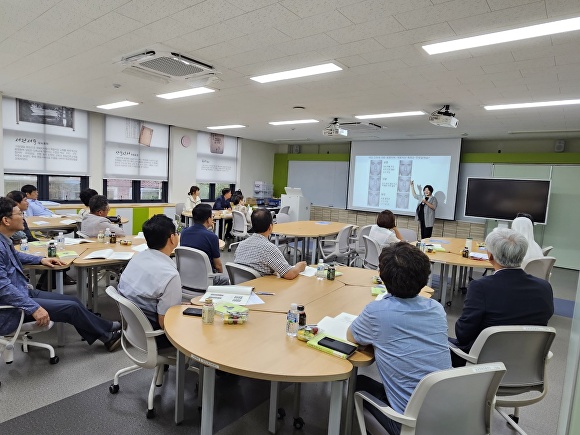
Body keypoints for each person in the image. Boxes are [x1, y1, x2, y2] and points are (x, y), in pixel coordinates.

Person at [347, 242, 451, 435]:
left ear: (382, 276)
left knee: (359, 383)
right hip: (448, 413)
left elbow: (351, 336)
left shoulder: (377, 312)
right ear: (425, 278)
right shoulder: (436, 309)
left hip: (408, 424)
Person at [0, 197, 121, 351]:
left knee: (74, 301)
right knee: (71, 308)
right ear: (6, 220)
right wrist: (33, 308)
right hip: (11, 307)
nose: (23, 218)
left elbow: (16, 257)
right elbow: (3, 288)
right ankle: (108, 337)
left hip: (22, 293)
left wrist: (41, 259)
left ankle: (107, 327)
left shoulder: (4, 240)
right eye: (19, 214)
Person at [449, 228, 553, 367]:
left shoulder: (480, 287)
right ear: (521, 255)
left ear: (490, 256)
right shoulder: (544, 287)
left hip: (485, 364)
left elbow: (463, 333)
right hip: (526, 363)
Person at [118, 215, 182, 348]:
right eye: (176, 233)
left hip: (134, 330)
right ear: (171, 238)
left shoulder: (137, 258)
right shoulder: (170, 276)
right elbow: (166, 324)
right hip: (155, 337)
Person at [6, 191, 77, 287]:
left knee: (55, 250)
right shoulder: (8, 235)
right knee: (53, 252)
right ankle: (45, 284)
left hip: (27, 243)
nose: (27, 202)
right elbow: (22, 238)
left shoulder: (19, 217)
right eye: (25, 200)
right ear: (17, 203)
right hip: (24, 245)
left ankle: (48, 282)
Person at [234, 208, 306, 279]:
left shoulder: (241, 244)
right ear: (270, 227)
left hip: (241, 287)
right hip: (260, 288)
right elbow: (289, 274)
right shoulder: (269, 248)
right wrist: (298, 267)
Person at [179, 204, 230, 285]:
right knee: (227, 280)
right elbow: (218, 266)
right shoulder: (212, 237)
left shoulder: (184, 232)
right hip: (205, 280)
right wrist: (219, 274)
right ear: (208, 219)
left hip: (186, 277)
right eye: (212, 216)